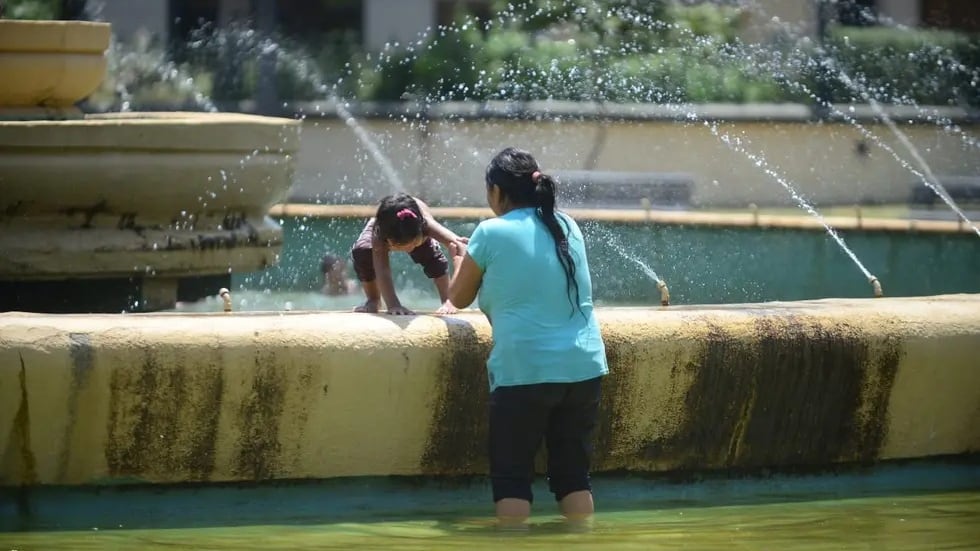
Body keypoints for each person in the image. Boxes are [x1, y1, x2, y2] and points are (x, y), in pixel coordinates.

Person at [447, 147, 608, 524]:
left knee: (512, 480)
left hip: (525, 371)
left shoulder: (489, 232)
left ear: (497, 193)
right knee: (573, 477)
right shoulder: (566, 225)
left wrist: (459, 260)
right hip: (583, 367)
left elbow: (457, 297)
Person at [351, 193, 467, 315]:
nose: (409, 249)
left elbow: (456, 242)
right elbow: (382, 270)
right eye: (400, 246)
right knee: (362, 252)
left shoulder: (425, 225)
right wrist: (393, 305)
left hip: (415, 229)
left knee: (434, 260)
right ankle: (373, 299)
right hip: (388, 224)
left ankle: (447, 299)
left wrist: (462, 251)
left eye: (412, 244)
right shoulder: (379, 234)